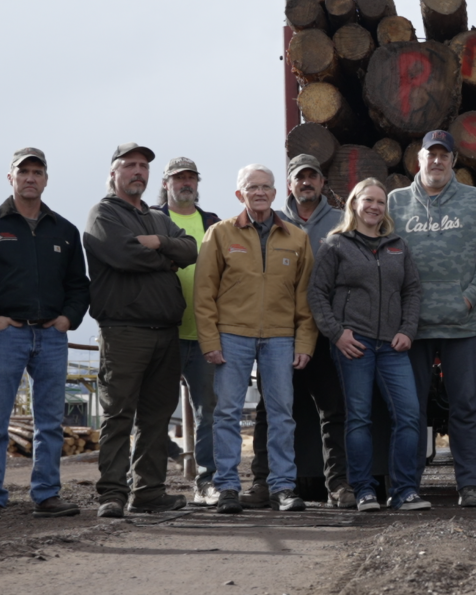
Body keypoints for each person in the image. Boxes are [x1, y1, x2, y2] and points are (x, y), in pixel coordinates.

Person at [0, 147, 90, 522]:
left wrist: (68, 319)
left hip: (51, 337)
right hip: (6, 334)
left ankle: (46, 495)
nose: (30, 177)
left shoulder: (64, 230)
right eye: (22, 171)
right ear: (10, 177)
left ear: (46, 179)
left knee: (49, 422)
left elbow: (79, 284)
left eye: (37, 172)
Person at [387, 130, 476, 508]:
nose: (436, 161)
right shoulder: (395, 202)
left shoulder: (475, 201)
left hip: (461, 324)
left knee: (466, 406)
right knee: (410, 409)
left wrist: (469, 298)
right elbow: (384, 258)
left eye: (444, 155)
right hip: (412, 328)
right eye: (430, 155)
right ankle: (408, 484)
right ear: (417, 160)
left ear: (453, 161)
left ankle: (469, 485)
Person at [194, 164, 317, 514]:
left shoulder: (297, 237)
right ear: (240, 194)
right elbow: (204, 292)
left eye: (266, 187)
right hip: (232, 335)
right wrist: (210, 341)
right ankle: (228, 487)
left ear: (277, 194)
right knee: (227, 413)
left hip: (280, 337)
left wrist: (304, 342)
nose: (260, 192)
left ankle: (282, 488)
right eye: (252, 187)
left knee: (282, 414)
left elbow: (304, 297)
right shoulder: (219, 234)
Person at [85, 143, 198, 516]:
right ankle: (112, 494)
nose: (138, 172)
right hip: (124, 330)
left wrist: (161, 244)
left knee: (156, 417)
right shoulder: (103, 214)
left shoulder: (156, 218)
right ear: (114, 172)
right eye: (130, 165)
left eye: (143, 166)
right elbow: (123, 255)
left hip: (165, 330)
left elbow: (189, 249)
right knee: (118, 415)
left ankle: (149, 491)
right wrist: (164, 259)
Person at [308, 178, 428, 511]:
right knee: (358, 418)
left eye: (380, 201)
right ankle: (363, 490)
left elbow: (412, 291)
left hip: (393, 345)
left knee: (409, 415)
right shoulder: (336, 245)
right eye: (368, 200)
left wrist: (407, 329)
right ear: (354, 203)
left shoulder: (398, 245)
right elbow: (317, 294)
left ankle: (404, 490)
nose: (374, 206)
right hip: (354, 344)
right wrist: (337, 333)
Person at [264, 154, 353, 510]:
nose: (306, 182)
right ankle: (265, 483)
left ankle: (339, 484)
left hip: (326, 331)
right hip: (277, 332)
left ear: (322, 182)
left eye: (312, 177)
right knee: (273, 411)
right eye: (299, 177)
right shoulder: (272, 221)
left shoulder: (340, 221)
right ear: (289, 184)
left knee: (333, 410)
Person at [151, 156, 222, 506]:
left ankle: (206, 481)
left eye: (191, 177)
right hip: (163, 332)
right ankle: (152, 485)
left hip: (205, 333)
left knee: (208, 409)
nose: (186, 183)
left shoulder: (212, 223)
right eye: (178, 178)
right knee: (153, 410)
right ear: (166, 183)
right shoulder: (152, 219)